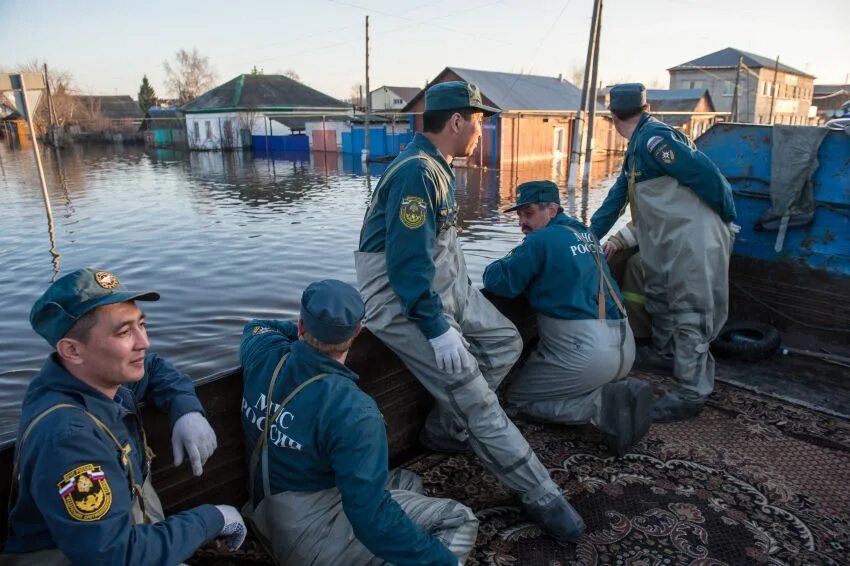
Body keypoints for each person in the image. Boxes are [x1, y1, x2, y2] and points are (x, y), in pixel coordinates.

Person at [355, 81, 585, 543]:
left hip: (449, 287)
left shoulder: (436, 167)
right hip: (407, 302)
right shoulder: (417, 173)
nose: (482, 130)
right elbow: (406, 268)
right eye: (479, 120)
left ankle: (442, 430)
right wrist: (438, 329)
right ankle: (543, 496)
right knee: (477, 399)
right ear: (457, 121)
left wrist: (454, 303)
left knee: (505, 341)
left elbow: (436, 253)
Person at [3, 268, 246, 565]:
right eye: (124, 332)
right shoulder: (69, 439)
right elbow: (116, 555)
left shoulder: (91, 377)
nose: (143, 342)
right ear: (72, 350)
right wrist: (214, 517)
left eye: (141, 324)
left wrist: (187, 410)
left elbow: (155, 368)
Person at [240, 279, 478, 565]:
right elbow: (371, 519)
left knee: (407, 481)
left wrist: (311, 333)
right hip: (309, 543)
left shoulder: (263, 353)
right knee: (459, 518)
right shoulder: (354, 410)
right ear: (357, 332)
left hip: (264, 514)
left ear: (301, 325)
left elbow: (255, 326)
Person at [590, 83, 737, 422]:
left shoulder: (656, 140)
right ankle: (666, 352)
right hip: (669, 240)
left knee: (691, 310)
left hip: (691, 239)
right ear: (647, 106)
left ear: (612, 117)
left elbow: (710, 178)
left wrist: (725, 220)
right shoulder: (637, 149)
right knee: (659, 294)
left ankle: (690, 393)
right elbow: (614, 201)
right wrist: (586, 237)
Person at [483, 181, 653, 456]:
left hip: (585, 351)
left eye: (528, 214)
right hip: (623, 343)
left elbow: (499, 281)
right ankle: (614, 390)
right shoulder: (584, 232)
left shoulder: (541, 240)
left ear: (551, 209)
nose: (522, 223)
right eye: (519, 216)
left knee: (516, 400)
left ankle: (600, 407)